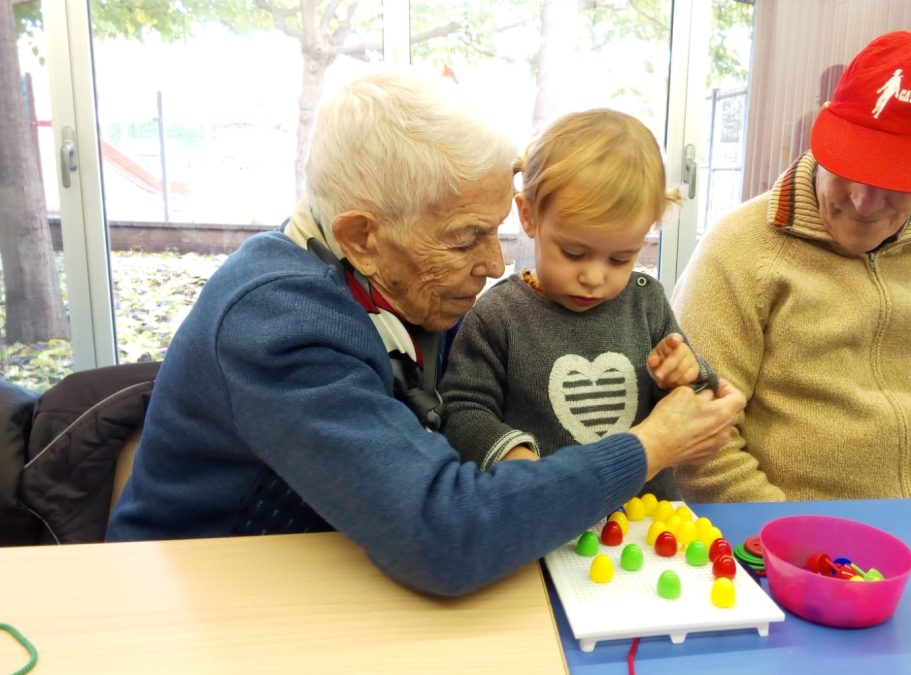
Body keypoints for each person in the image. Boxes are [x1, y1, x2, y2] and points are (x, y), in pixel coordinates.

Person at [106, 68, 743, 597]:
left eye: (496, 232)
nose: (496, 265)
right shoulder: (277, 325)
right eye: (468, 237)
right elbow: (442, 535)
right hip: (202, 599)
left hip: (332, 569)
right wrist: (647, 447)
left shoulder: (394, 277)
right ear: (363, 237)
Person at [672, 31, 911, 502]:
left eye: (899, 180)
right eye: (853, 165)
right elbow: (702, 436)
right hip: (778, 543)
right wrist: (784, 544)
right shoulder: (739, 250)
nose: (865, 203)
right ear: (825, 132)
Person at [439, 109, 739, 500]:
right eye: (574, 252)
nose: (595, 277)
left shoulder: (645, 301)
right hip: (545, 519)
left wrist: (687, 375)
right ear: (529, 216)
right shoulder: (498, 315)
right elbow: (462, 409)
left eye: (620, 259)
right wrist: (518, 459)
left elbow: (697, 405)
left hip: (647, 526)